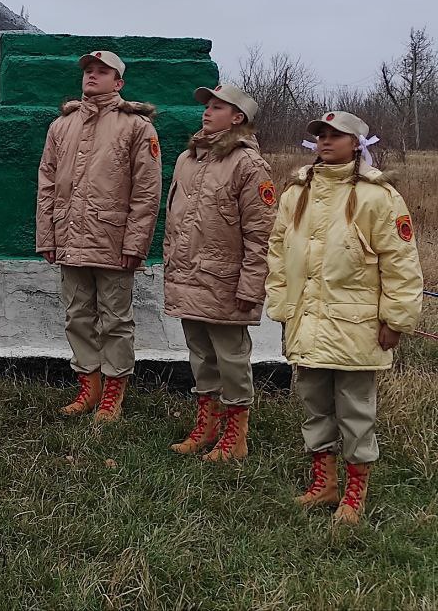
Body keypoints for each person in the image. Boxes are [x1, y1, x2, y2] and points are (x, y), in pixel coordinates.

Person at [265, 111, 423, 525]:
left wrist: (396, 318)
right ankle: (324, 482)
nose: (326, 141)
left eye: (337, 136)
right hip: (308, 319)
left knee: (355, 409)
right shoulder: (296, 192)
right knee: (314, 402)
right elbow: (279, 252)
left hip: (356, 324)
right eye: (321, 134)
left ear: (357, 143)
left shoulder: (377, 197)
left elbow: (400, 261)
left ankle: (355, 492)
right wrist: (282, 306)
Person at [35, 51, 162, 423]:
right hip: (69, 237)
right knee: (77, 315)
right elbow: (47, 181)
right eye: (88, 70)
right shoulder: (62, 125)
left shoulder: (137, 127)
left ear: (118, 82)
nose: (92, 75)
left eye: (102, 71)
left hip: (112, 240)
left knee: (115, 319)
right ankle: (88, 387)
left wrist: (136, 244)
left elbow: (146, 191)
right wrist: (48, 236)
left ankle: (113, 392)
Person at [164, 83, 275, 461]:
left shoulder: (249, 165)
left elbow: (261, 234)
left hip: (225, 281)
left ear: (238, 117)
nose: (206, 112)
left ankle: (235, 436)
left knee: (231, 358)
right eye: (206, 107)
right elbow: (175, 221)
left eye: (216, 107)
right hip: (188, 276)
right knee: (200, 354)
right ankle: (207, 425)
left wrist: (251, 284)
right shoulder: (187, 159)